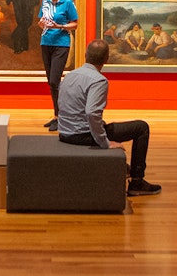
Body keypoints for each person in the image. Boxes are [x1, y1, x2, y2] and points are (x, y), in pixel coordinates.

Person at [58, 39, 161, 196]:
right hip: (82, 135)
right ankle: (137, 182)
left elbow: (62, 103)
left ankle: (125, 170)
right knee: (141, 127)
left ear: (86, 55)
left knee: (107, 125)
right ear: (106, 59)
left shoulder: (71, 75)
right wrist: (105, 142)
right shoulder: (99, 80)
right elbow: (92, 113)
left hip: (64, 133)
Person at [38, 0, 78, 131]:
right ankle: (57, 115)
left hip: (61, 44)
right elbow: (40, 21)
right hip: (46, 42)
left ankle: (63, 116)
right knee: (51, 82)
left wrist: (59, 26)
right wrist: (42, 23)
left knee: (55, 81)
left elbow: (75, 24)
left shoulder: (67, 2)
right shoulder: (45, 2)